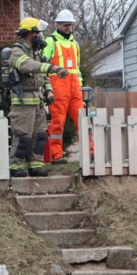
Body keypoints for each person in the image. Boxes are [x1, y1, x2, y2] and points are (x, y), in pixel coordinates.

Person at [1, 17, 69, 178]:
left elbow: (43, 75)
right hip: (23, 101)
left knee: (39, 136)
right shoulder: (17, 51)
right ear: (28, 34)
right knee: (23, 135)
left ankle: (36, 165)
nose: (39, 36)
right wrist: (54, 67)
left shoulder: (35, 52)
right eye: (37, 33)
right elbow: (30, 66)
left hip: (38, 100)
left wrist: (49, 91)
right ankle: (16, 167)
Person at [42, 9, 85, 164]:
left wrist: (80, 89)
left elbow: (77, 69)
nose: (68, 27)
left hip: (75, 90)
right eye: (65, 25)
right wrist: (47, 89)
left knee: (83, 121)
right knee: (58, 122)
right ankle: (56, 155)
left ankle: (90, 153)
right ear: (58, 25)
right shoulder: (50, 42)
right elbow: (43, 66)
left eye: (70, 25)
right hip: (58, 89)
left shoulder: (75, 44)